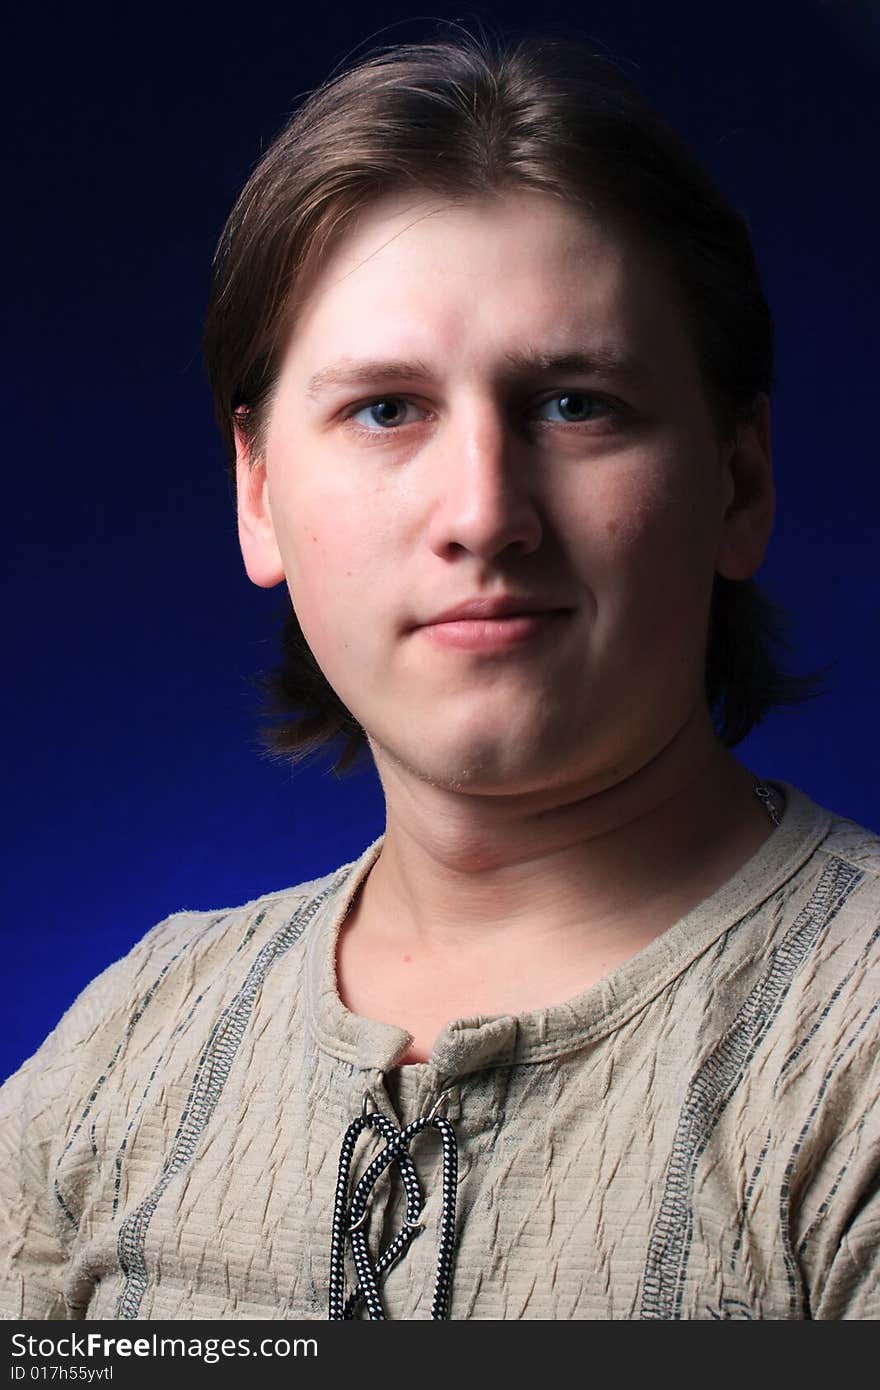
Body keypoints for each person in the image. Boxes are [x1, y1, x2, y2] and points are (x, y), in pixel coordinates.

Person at [1, 29, 877, 1323]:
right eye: (386, 409)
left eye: (576, 403)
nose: (483, 512)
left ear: (737, 482)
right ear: (257, 493)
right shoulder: (133, 1037)